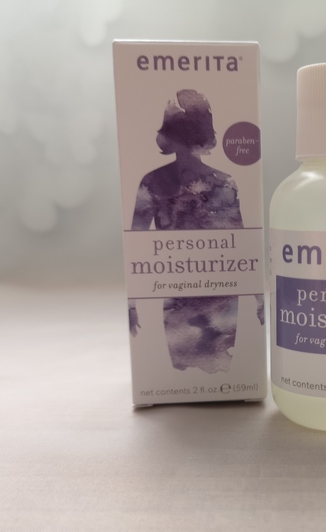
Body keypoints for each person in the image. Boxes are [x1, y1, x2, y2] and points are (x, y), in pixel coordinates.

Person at [128, 89, 258, 374]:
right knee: (207, 367)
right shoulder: (222, 182)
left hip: (200, 295)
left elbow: (241, 247)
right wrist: (258, 300)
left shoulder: (156, 181)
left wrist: (131, 304)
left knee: (205, 367)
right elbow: (136, 246)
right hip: (194, 296)